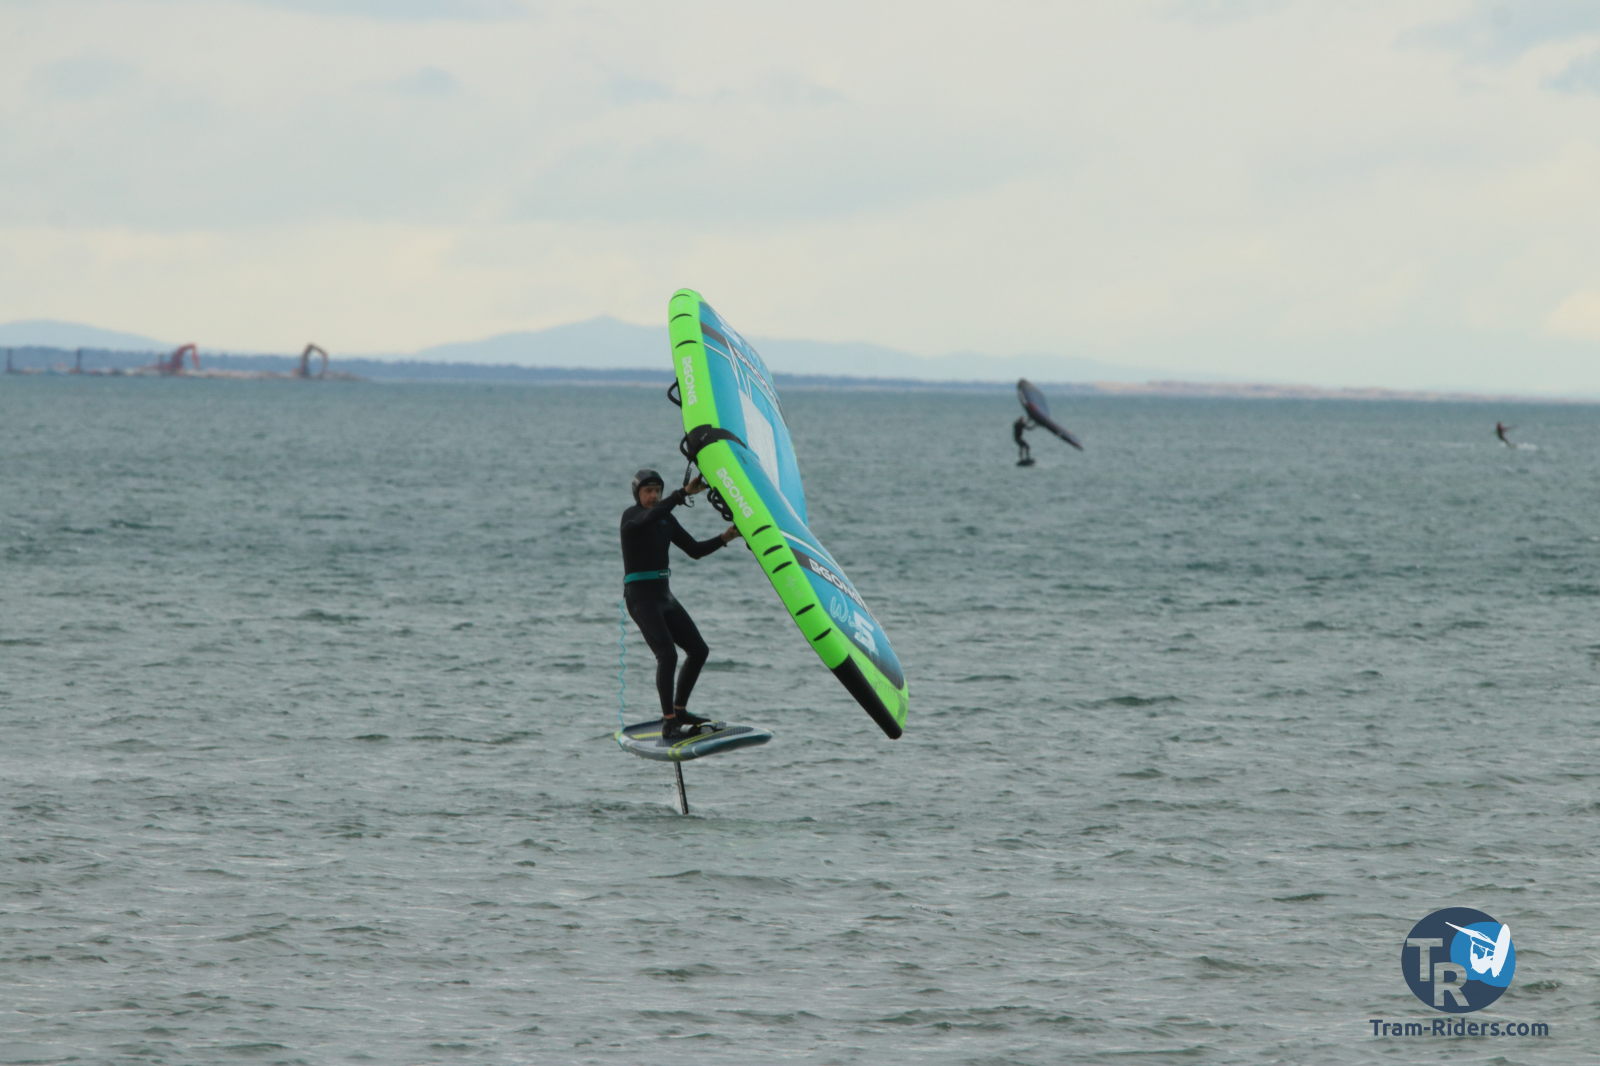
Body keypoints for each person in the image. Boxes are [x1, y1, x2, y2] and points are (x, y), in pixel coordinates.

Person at [620, 468, 741, 741]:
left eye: (657, 491)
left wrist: (726, 537)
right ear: (637, 494)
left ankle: (680, 711)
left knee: (698, 650)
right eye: (648, 491)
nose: (653, 496)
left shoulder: (666, 520)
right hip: (640, 598)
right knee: (667, 655)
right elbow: (649, 516)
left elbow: (694, 550)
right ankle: (669, 722)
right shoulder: (632, 517)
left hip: (664, 596)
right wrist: (682, 493)